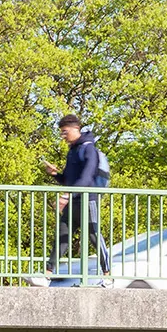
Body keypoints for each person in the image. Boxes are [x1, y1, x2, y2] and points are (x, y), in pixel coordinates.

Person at [37, 114, 110, 282]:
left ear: (75, 129)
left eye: (65, 132)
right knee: (62, 235)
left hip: (88, 199)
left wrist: (67, 195)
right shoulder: (72, 151)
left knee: (94, 235)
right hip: (74, 200)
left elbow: (87, 177)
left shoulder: (88, 148)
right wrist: (56, 175)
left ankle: (107, 275)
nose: (63, 136)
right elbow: (69, 180)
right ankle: (47, 274)